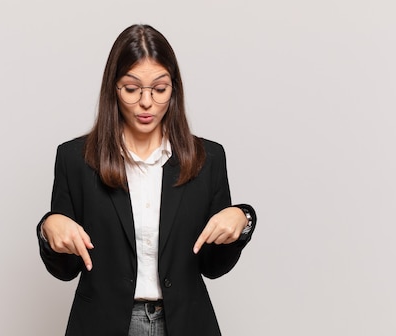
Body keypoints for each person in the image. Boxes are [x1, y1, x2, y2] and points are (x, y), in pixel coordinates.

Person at [36, 24, 257, 336]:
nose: (146, 102)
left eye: (159, 89)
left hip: (185, 324)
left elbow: (213, 266)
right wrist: (49, 229)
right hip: (103, 324)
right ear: (113, 88)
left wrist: (243, 219)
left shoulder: (208, 159)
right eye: (131, 89)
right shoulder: (76, 160)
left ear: (174, 89)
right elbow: (66, 269)